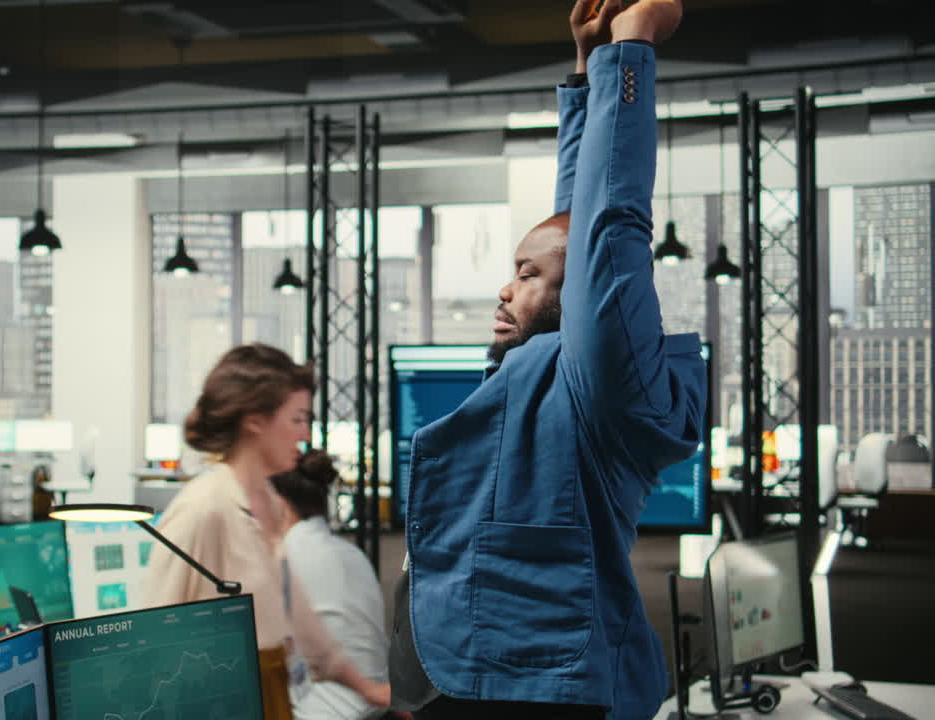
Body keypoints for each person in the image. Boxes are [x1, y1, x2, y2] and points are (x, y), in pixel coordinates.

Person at [389, 1, 706, 719]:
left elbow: (603, 225)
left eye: (527, 275)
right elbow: (573, 221)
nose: (505, 287)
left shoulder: (601, 389)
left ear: (585, 300)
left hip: (535, 696)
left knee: (598, 231)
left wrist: (629, 58)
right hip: (477, 680)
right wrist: (586, 70)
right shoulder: (548, 364)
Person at [143, 344, 392, 720]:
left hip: (274, 695)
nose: (305, 434)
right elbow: (152, 644)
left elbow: (302, 623)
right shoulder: (204, 509)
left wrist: (369, 689)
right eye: (297, 419)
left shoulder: (272, 506)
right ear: (255, 420)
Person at [270, 450, 389, 720]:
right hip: (375, 710)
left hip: (323, 713)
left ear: (278, 503)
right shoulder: (351, 554)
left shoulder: (286, 558)